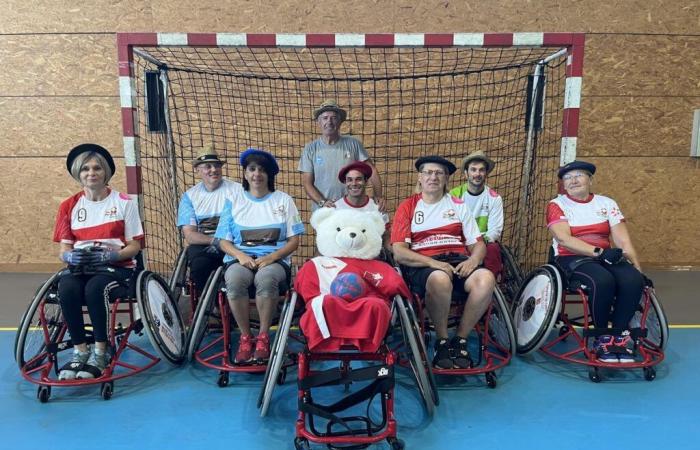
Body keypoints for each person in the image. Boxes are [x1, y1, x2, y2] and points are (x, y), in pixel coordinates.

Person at [391, 156, 495, 370]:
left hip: (457, 260)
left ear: (447, 178)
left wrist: (475, 259)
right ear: (420, 178)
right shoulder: (408, 206)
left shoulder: (458, 205)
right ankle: (442, 341)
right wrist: (432, 263)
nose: (433, 177)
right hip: (424, 264)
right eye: (428, 173)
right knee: (439, 279)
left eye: (439, 173)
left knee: (486, 278)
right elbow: (400, 252)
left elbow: (477, 243)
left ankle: (460, 340)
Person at [53, 144, 144, 380]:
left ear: (105, 172)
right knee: (67, 288)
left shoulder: (124, 202)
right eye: (85, 169)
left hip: (116, 267)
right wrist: (69, 256)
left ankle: (101, 351)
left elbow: (135, 246)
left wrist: (112, 255)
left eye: (96, 168)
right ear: (78, 173)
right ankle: (80, 351)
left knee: (96, 289)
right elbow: (64, 249)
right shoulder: (68, 206)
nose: (91, 173)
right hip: (82, 265)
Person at [546, 160, 644, 363]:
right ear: (563, 184)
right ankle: (602, 337)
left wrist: (637, 268)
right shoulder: (557, 205)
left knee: (633, 280)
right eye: (567, 178)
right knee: (602, 281)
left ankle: (618, 336)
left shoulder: (607, 203)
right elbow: (564, 239)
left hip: (605, 257)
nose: (573, 181)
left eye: (578, 175)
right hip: (571, 257)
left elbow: (623, 240)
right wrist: (598, 252)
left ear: (590, 179)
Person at [215, 148, 304, 364]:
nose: (257, 174)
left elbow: (294, 241)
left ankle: (263, 337)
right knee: (234, 280)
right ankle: (246, 338)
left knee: (266, 279)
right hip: (240, 259)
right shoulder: (233, 200)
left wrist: (271, 258)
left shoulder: (284, 200)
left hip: (274, 260)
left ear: (269, 175)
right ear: (245, 174)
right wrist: (240, 255)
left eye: (262, 170)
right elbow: (223, 241)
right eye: (252, 169)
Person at [177, 145, 242, 298]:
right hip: (205, 245)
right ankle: (207, 307)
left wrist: (227, 243)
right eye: (208, 166)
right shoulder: (189, 197)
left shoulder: (238, 190)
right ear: (197, 170)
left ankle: (232, 304)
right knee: (199, 266)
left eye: (217, 165)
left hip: (234, 243)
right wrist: (216, 241)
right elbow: (190, 236)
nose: (214, 169)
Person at [299, 99, 385, 211]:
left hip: (351, 209)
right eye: (325, 118)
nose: (329, 122)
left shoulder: (353, 143)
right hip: (324, 212)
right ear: (319, 122)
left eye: (334, 118)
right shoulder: (310, 149)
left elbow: (372, 170)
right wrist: (323, 202)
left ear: (340, 122)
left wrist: (378, 196)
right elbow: (307, 183)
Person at [449, 150, 504, 275]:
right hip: (459, 243)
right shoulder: (453, 195)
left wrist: (478, 245)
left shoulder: (494, 198)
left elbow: (494, 231)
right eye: (473, 170)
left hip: (482, 243)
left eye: (481, 170)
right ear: (466, 173)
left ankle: (491, 285)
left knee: (493, 248)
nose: (477, 174)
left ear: (486, 173)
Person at [335, 161, 391, 253]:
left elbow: (386, 235)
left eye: (358, 179)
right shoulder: (335, 208)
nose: (354, 183)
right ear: (345, 182)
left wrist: (396, 250)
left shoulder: (378, 207)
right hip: (343, 258)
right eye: (350, 180)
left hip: (371, 258)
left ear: (366, 181)